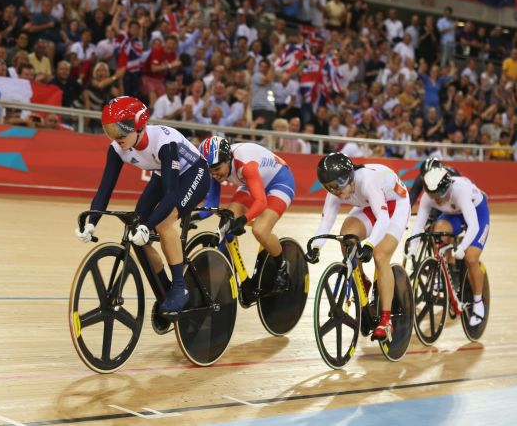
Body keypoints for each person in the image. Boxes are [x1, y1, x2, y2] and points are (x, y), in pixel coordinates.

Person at [75, 96, 210, 316]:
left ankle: (180, 287)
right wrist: (92, 223)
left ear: (139, 125)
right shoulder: (118, 148)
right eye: (110, 131)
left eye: (120, 131)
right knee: (133, 229)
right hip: (162, 172)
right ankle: (164, 289)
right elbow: (105, 189)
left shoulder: (164, 142)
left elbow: (172, 193)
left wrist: (150, 225)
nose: (116, 138)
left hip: (194, 173)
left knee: (164, 223)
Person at [306, 153, 410, 341]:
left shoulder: (367, 182)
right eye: (329, 187)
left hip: (396, 205)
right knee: (348, 240)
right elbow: (325, 223)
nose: (336, 191)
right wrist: (315, 247)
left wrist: (369, 245)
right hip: (370, 204)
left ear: (350, 176)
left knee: (380, 255)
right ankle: (362, 280)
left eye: (339, 184)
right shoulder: (337, 190)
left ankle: (386, 322)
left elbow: (383, 219)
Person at [197, 136, 296, 301]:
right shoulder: (215, 166)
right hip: (253, 182)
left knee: (259, 229)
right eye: (210, 170)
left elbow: (261, 202)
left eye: (216, 168)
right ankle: (241, 278)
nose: (214, 174)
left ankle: (283, 267)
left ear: (228, 159)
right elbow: (212, 203)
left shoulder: (245, 164)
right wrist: (194, 217)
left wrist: (243, 220)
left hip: (280, 181)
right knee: (227, 221)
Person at [408, 167, 489, 327]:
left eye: (439, 196)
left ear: (446, 188)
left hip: (477, 213)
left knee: (471, 258)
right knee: (436, 232)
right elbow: (418, 226)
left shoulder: (460, 191)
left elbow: (473, 225)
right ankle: (448, 268)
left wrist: (463, 247)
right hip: (454, 214)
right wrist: (412, 248)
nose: (436, 200)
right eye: (432, 196)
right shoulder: (429, 196)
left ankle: (478, 302)